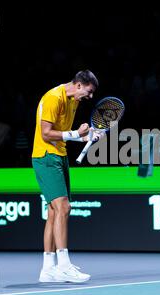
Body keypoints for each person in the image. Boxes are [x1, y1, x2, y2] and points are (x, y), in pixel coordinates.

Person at [32, 70, 102, 283]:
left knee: (54, 212)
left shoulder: (74, 101)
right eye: (89, 92)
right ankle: (63, 265)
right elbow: (45, 133)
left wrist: (86, 136)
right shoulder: (54, 98)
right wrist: (74, 135)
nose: (90, 97)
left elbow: (63, 132)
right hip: (45, 157)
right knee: (64, 207)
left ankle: (48, 269)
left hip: (60, 156)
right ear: (79, 85)